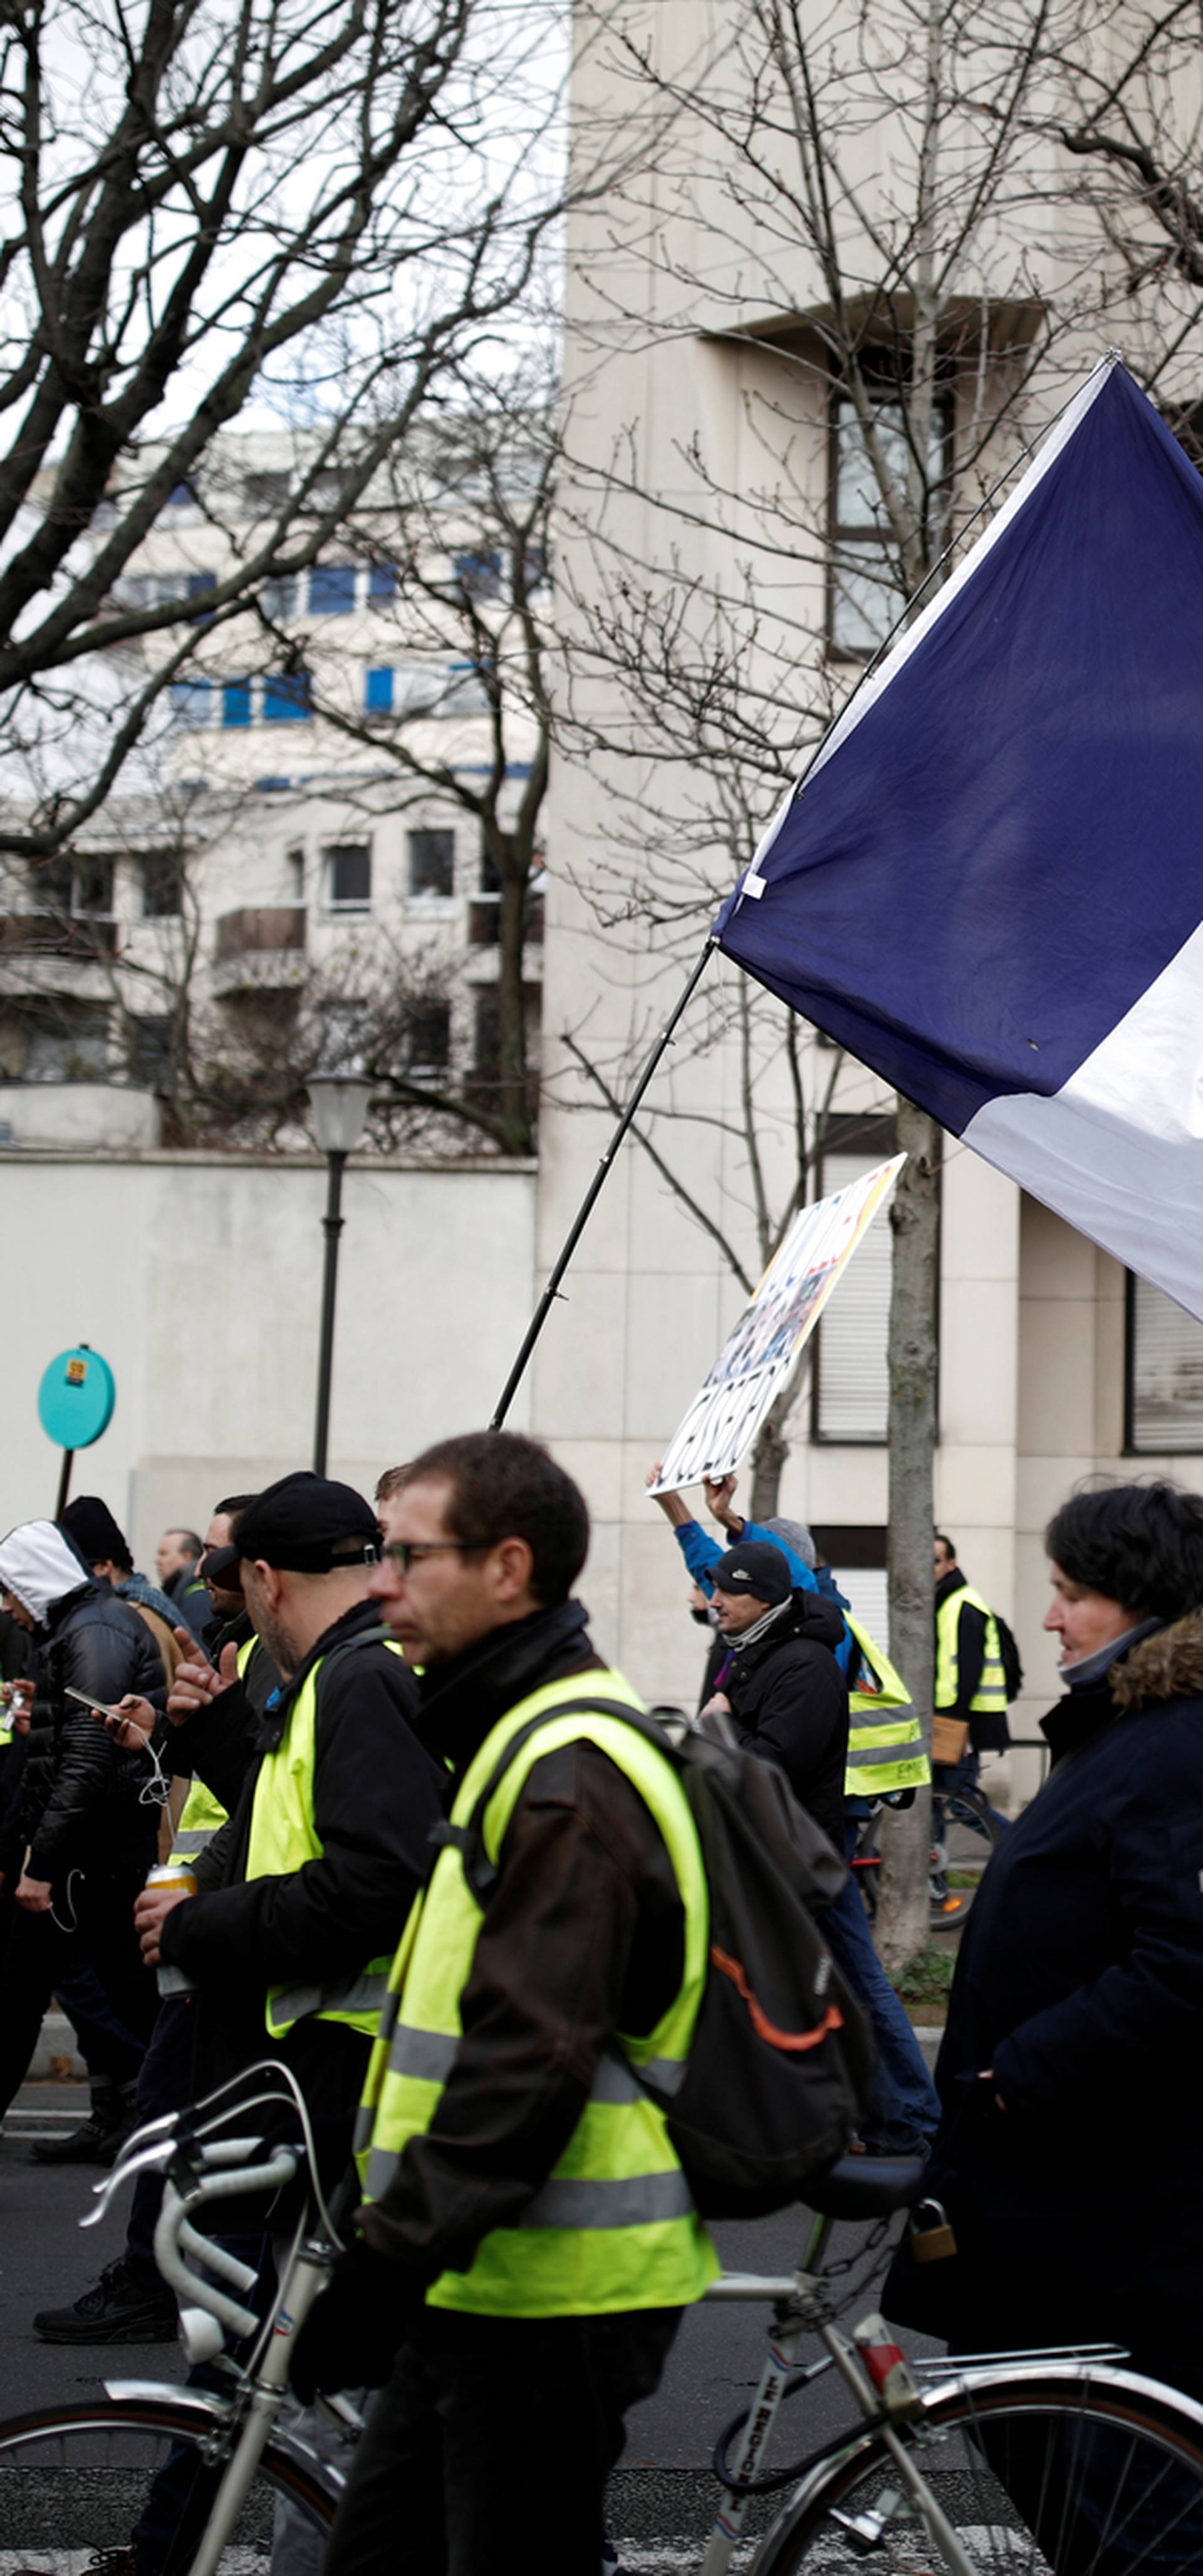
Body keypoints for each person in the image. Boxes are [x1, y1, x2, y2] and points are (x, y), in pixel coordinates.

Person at [291, 1430, 719, 2576]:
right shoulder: (517, 1736)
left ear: (508, 1569)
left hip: (554, 2298)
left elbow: (529, 2057)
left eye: (407, 1555)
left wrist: (381, 2268)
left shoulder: (568, 1770)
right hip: (479, 2272)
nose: (381, 1583)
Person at [887, 1480, 1203, 2424]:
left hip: (1104, 2185)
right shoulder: (1127, 1728)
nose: (1050, 1616)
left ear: (1139, 1599)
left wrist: (1023, 2068)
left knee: (1104, 2473)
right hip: (1074, 2173)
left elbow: (1184, 1960)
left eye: (1072, 1591)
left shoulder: (1173, 1744)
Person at [0, 1521, 164, 2137]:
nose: (9, 1609)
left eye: (11, 1592)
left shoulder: (94, 1630)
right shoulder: (80, 1628)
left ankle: (198, 2122)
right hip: (83, 1856)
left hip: (87, 1860)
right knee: (26, 2000)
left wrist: (41, 1864)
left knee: (131, 2002)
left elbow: (88, 1762)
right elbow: (69, 1742)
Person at [930, 1531, 1011, 1914]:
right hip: (945, 1723)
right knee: (933, 1806)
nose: (929, 1566)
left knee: (961, 1806)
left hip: (956, 1727)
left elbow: (969, 1672)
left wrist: (957, 1729)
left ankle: (1021, 1855)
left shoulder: (962, 1605)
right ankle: (935, 1889)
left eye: (936, 1560)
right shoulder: (943, 1601)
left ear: (950, 1565)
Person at [154, 1525, 209, 1640]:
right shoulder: (184, 1591)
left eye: (164, 1554)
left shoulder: (197, 1597)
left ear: (187, 1557)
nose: (157, 1561)